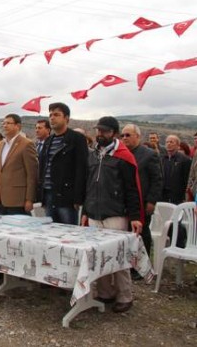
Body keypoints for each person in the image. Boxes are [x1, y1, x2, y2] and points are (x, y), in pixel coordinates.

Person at [82, 116, 143, 313]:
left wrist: (135, 216)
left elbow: (132, 189)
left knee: (119, 257)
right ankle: (105, 292)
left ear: (114, 133)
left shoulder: (123, 157)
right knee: (98, 256)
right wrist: (85, 211)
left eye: (105, 131)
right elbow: (88, 186)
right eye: (98, 130)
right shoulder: (92, 156)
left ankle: (125, 295)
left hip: (115, 213)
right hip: (94, 213)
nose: (100, 134)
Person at [38, 102, 88, 225]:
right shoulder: (48, 141)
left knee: (69, 233)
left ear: (66, 118)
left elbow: (82, 169)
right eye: (50, 115)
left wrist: (78, 198)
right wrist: (42, 196)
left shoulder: (77, 138)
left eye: (56, 114)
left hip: (66, 196)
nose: (52, 118)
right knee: (51, 233)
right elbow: (43, 168)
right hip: (49, 194)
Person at [121, 124, 163, 266]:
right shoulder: (121, 154)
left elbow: (157, 179)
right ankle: (128, 263)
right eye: (122, 135)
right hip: (124, 201)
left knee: (141, 233)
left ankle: (142, 265)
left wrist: (151, 201)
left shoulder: (149, 155)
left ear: (137, 136)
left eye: (128, 135)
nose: (124, 138)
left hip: (142, 201)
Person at [0, 114, 38, 215]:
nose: (5, 126)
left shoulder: (26, 144)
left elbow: (32, 174)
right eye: (3, 123)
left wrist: (29, 199)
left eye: (8, 123)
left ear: (18, 126)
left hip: (18, 200)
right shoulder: (0, 145)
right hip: (0, 199)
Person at [161, 135, 191, 204]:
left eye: (171, 142)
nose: (168, 144)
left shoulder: (185, 160)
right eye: (167, 142)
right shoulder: (161, 159)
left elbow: (187, 179)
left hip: (177, 197)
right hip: (163, 195)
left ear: (178, 145)